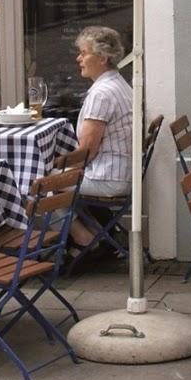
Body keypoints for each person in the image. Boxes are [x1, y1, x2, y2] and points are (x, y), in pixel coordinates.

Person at [69, 25, 132, 248]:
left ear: (103, 58)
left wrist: (58, 165)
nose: (79, 58)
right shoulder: (119, 84)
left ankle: (85, 240)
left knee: (38, 183)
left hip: (108, 177)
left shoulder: (102, 93)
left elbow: (88, 151)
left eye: (84, 53)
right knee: (56, 177)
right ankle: (100, 234)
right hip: (120, 172)